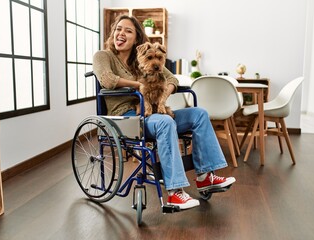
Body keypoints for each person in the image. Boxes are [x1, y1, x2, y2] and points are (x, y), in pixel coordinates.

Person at [93, 15, 236, 210]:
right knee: (165, 122)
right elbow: (107, 80)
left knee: (199, 114)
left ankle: (205, 177)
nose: (121, 33)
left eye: (128, 30)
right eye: (118, 29)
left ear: (136, 39)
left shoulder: (142, 57)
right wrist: (139, 85)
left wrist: (163, 96)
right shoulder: (103, 55)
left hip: (152, 113)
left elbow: (173, 79)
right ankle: (175, 193)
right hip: (125, 117)